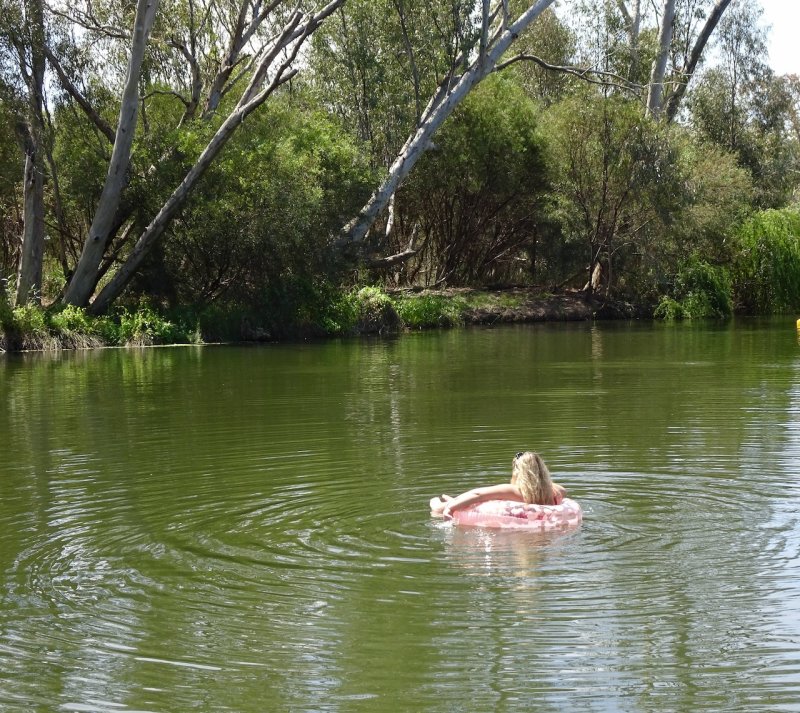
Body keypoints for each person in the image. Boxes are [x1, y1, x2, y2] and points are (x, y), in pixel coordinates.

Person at [430, 451, 567, 519]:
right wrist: (542, 482)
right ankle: (454, 501)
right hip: (545, 535)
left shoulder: (514, 492)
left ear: (519, 472)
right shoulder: (557, 491)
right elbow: (560, 490)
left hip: (511, 532)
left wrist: (451, 508)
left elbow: (477, 494)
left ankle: (439, 502)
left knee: (437, 508)